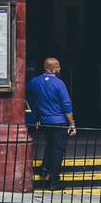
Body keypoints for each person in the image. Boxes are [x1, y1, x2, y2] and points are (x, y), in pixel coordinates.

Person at [25, 58, 76, 190]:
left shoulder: (35, 81)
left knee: (50, 145)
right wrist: (72, 123)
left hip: (45, 122)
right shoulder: (59, 83)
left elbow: (24, 91)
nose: (59, 69)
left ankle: (44, 168)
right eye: (57, 67)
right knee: (58, 151)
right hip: (59, 122)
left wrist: (35, 114)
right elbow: (66, 105)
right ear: (49, 68)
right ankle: (54, 181)